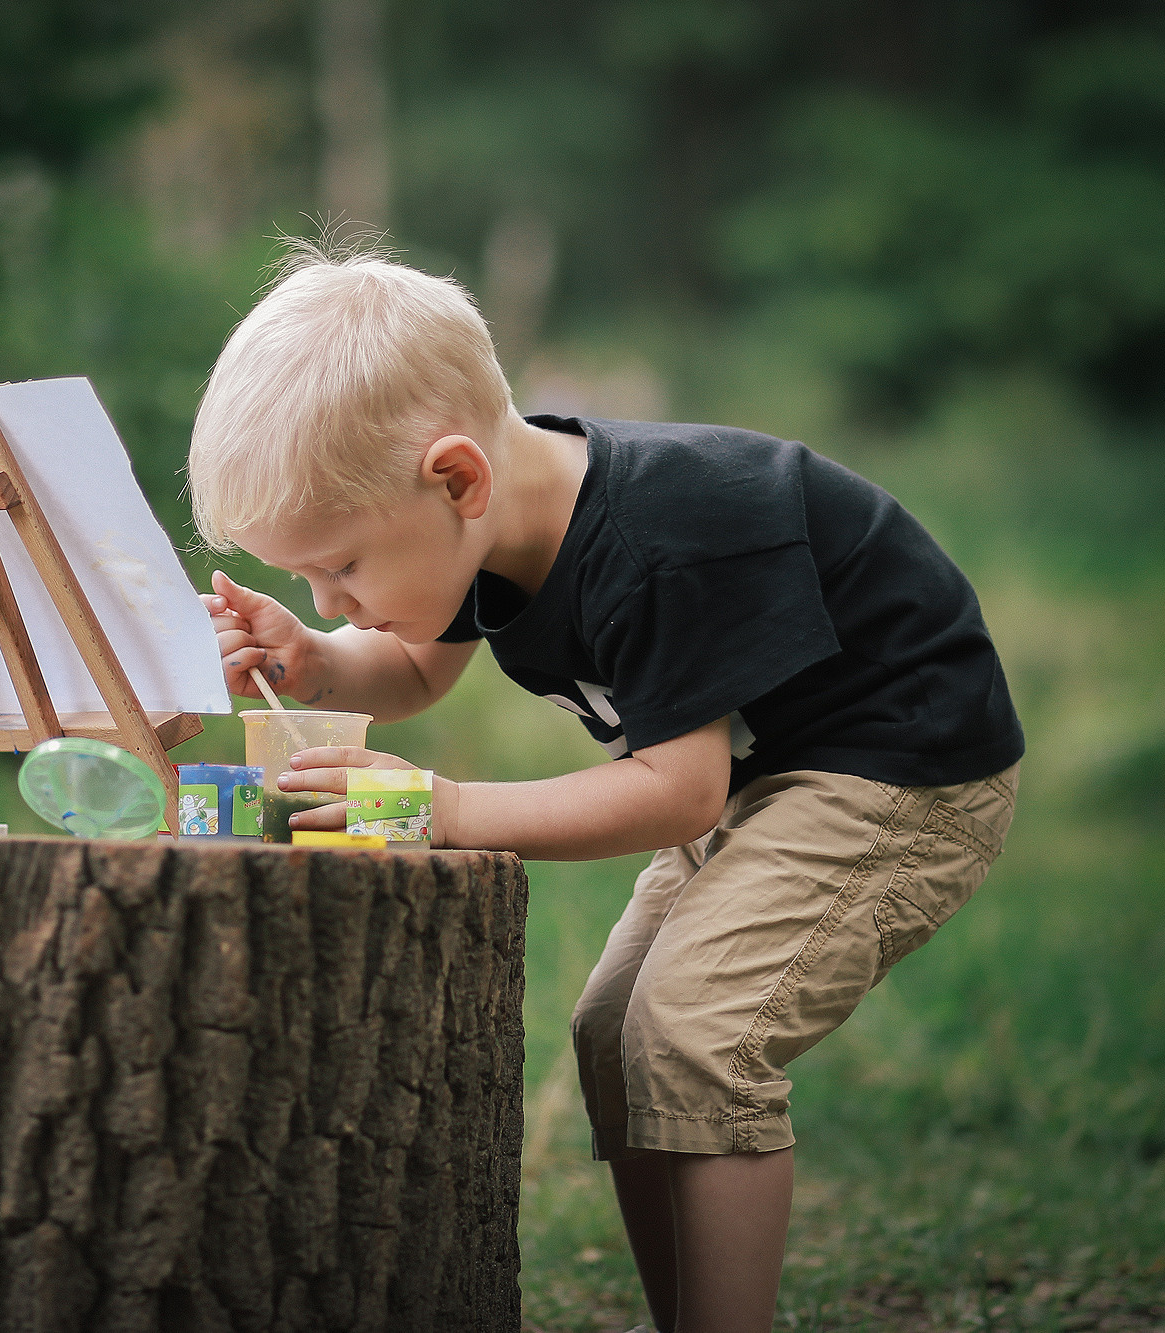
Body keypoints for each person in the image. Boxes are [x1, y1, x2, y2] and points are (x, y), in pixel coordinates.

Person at [188, 240, 1024, 1333]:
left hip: (897, 766)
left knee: (694, 1035)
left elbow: (676, 792)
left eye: (338, 568)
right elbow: (405, 667)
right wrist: (317, 657)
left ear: (455, 479)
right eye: (306, 577)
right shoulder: (477, 525)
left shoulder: (656, 541)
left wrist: (444, 810)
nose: (325, 591)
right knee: (611, 1031)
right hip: (762, 773)